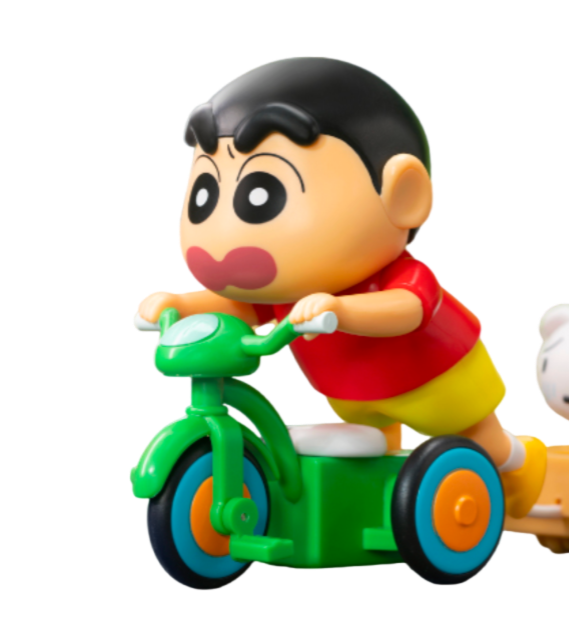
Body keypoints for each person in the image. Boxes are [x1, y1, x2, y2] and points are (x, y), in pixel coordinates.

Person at [136, 56, 546, 518]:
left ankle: (522, 460)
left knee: (479, 442)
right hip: (350, 393)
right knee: (372, 450)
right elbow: (239, 308)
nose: (225, 238)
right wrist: (181, 304)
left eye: (262, 196)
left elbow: (407, 310)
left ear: (404, 196)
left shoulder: (399, 275)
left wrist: (344, 311)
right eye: (204, 195)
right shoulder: (291, 287)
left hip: (437, 376)